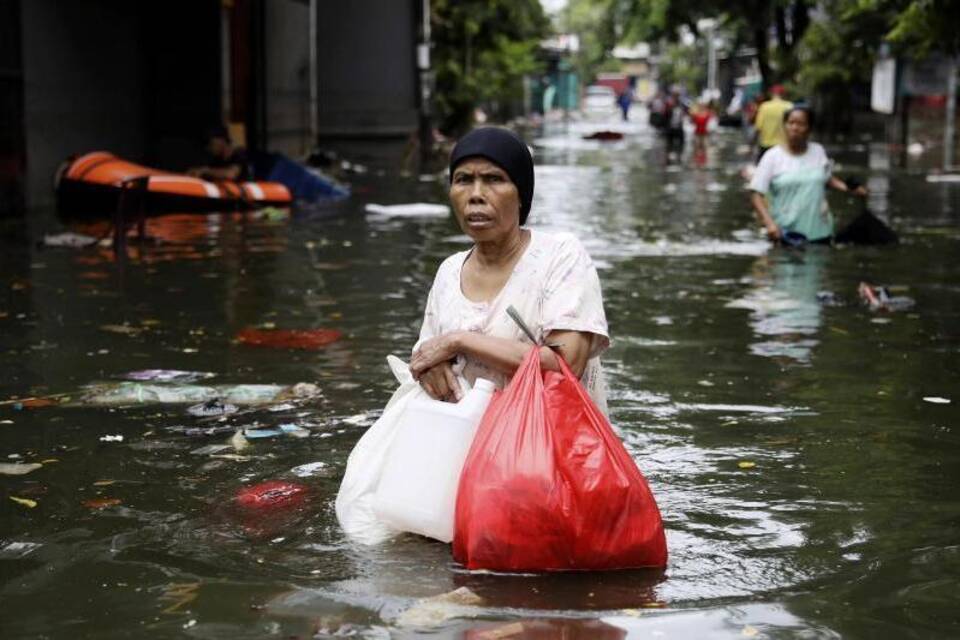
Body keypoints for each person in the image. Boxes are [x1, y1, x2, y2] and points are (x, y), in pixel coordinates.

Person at [408, 127, 611, 414]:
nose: (476, 195)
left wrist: (460, 340)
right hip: (473, 447)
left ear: (520, 195)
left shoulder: (561, 257)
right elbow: (426, 354)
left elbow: (566, 366)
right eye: (463, 180)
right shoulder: (449, 272)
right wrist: (431, 369)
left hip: (551, 446)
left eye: (493, 179)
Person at [749, 106, 867, 244]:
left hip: (820, 232)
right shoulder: (772, 157)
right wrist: (769, 223)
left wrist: (850, 189)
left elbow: (826, 178)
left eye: (801, 124)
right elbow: (756, 193)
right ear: (785, 126)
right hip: (786, 234)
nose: (795, 128)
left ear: (809, 129)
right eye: (791, 123)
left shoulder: (818, 151)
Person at [187, 125, 252, 182]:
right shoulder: (216, 160)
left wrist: (205, 171)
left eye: (210, 144)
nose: (208, 148)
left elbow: (231, 174)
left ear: (221, 140)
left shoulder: (239, 155)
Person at [753, 85, 793, 161]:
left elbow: (758, 128)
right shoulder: (789, 106)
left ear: (771, 94)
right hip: (784, 146)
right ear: (783, 94)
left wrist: (751, 144)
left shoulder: (764, 106)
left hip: (766, 145)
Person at [664, 89, 687, 159]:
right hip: (671, 128)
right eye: (674, 96)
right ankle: (669, 157)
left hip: (679, 128)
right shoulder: (669, 104)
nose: (676, 97)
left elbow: (686, 112)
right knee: (669, 145)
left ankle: (679, 156)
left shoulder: (682, 105)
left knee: (681, 144)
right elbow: (665, 115)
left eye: (677, 96)